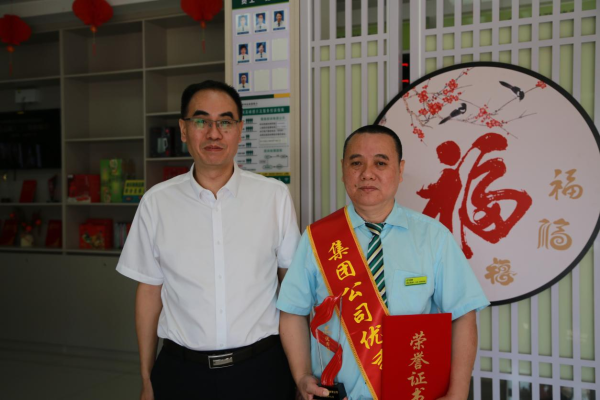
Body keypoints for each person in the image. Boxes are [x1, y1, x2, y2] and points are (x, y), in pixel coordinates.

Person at [116, 80, 300, 400]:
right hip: (182, 372)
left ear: (239, 130)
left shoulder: (274, 197)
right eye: (201, 121)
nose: (214, 133)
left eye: (225, 122)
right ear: (183, 130)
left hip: (262, 369)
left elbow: (292, 291)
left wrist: (300, 373)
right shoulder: (156, 202)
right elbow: (149, 292)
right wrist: (146, 378)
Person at [277, 125, 490, 400]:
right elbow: (292, 311)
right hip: (337, 394)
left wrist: (458, 393)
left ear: (400, 171)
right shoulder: (318, 238)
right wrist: (302, 375)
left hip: (414, 392)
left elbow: (463, 315)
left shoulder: (433, 237)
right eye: (356, 163)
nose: (367, 173)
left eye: (380, 163)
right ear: (343, 170)